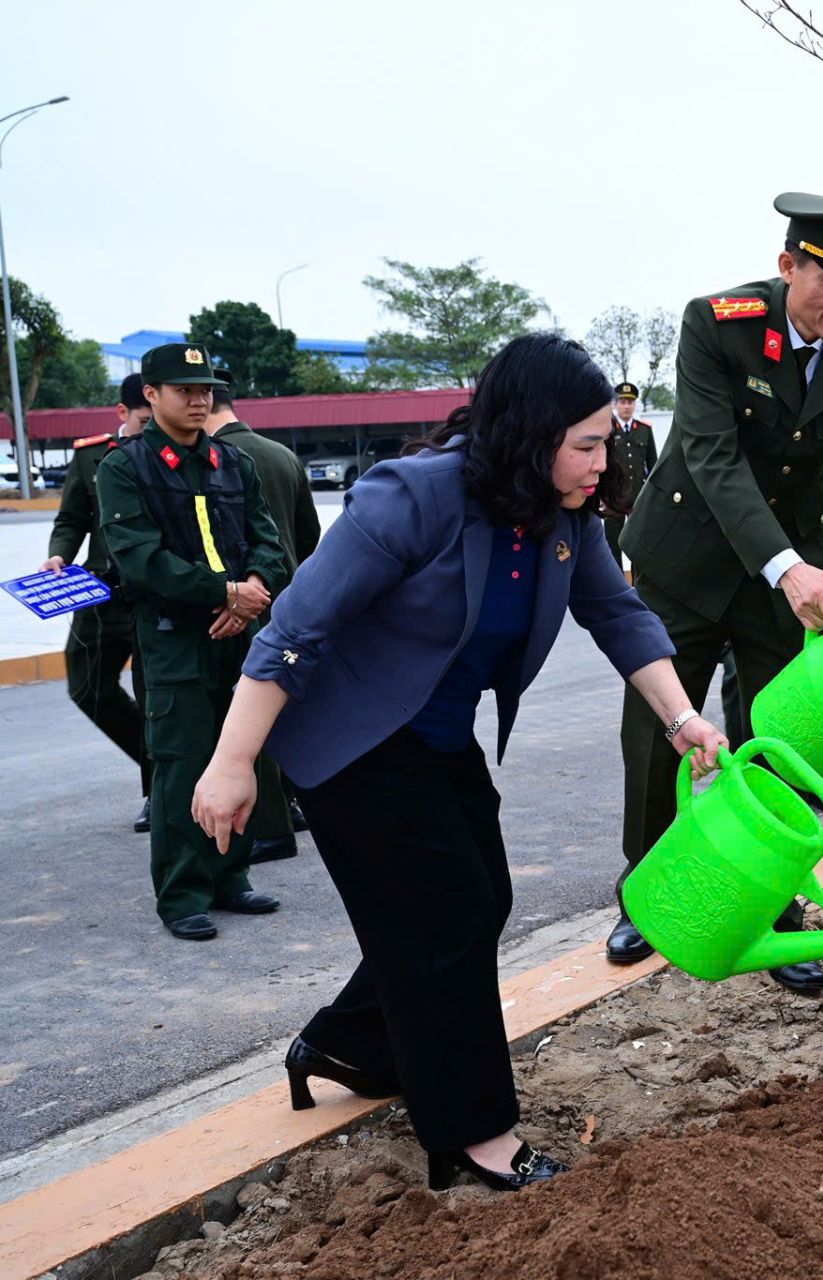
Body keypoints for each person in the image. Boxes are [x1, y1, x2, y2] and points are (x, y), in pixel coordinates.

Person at [190, 333, 723, 1192]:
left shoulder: (564, 510)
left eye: (604, 441)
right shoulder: (413, 497)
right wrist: (232, 762)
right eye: (585, 443)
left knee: (480, 900)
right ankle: (474, 1137)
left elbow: (618, 616)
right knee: (444, 919)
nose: (601, 459)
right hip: (350, 742)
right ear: (527, 433)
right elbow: (293, 632)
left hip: (434, 736)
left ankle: (349, 1043)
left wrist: (684, 719)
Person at [615, 192, 823, 985]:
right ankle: (649, 889)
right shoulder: (717, 323)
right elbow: (712, 457)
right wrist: (786, 568)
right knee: (658, 733)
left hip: (794, 566)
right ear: (789, 268)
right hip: (688, 558)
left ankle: (771, 901)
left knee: (778, 731)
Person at [94, 344, 290, 940]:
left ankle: (231, 877)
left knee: (242, 754)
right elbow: (141, 560)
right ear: (150, 396)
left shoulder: (234, 463)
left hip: (240, 632)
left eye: (206, 389)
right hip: (174, 637)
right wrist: (225, 594)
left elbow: (268, 542)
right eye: (185, 390)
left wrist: (253, 588)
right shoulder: (124, 468)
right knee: (181, 765)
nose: (200, 399)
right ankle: (182, 895)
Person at [208, 372, 321, 865]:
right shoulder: (282, 454)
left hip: (240, 607)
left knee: (247, 715)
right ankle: (299, 801)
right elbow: (310, 539)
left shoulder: (213, 461)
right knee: (291, 709)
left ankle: (272, 824)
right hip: (293, 603)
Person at [41, 373, 154, 832]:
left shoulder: (170, 456)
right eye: (143, 419)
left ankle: (157, 789)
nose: (151, 426)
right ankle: (156, 769)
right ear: (123, 413)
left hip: (151, 594)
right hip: (100, 593)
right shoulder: (92, 454)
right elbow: (71, 517)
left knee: (154, 698)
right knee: (87, 688)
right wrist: (59, 554)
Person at [603, 380, 658, 569]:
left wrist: (652, 497)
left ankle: (638, 588)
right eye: (622, 401)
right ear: (615, 404)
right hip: (613, 498)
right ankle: (616, 588)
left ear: (635, 404)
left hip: (638, 498)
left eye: (630, 402)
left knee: (638, 546)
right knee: (612, 547)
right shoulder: (607, 431)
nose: (626, 406)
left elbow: (653, 466)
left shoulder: (644, 430)